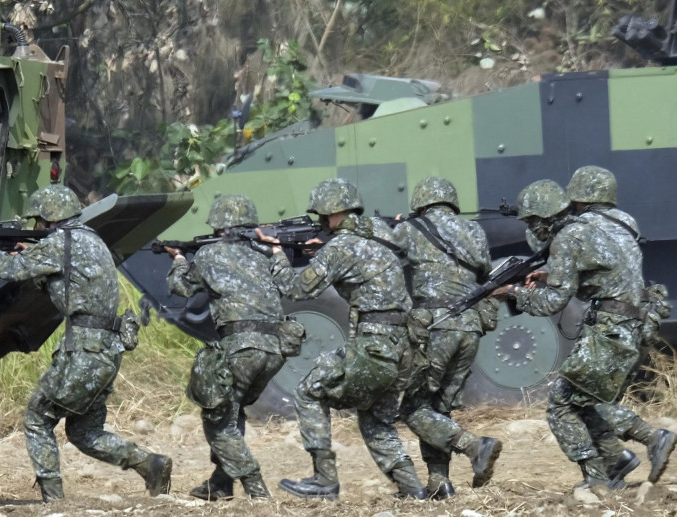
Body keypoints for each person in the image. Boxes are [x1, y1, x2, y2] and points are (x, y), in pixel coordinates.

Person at [0, 184, 172, 502]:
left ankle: (53, 501)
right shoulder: (91, 240)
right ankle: (151, 464)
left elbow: (11, 270)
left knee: (37, 419)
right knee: (83, 432)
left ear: (50, 218)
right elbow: (64, 279)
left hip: (84, 352)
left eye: (39, 221)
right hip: (105, 350)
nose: (37, 228)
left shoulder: (60, 242)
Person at [259, 178, 428, 500]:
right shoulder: (377, 238)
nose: (321, 221)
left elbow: (297, 289)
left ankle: (324, 481)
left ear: (335, 212)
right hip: (403, 346)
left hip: (374, 345)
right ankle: (412, 489)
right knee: (376, 419)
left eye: (323, 215)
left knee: (308, 393)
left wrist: (277, 254)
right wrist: (321, 254)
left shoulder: (339, 248)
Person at [491, 179, 643, 491]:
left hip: (607, 326)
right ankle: (616, 462)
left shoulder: (567, 238)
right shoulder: (601, 227)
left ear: (544, 219)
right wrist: (551, 274)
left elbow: (553, 302)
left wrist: (511, 292)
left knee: (561, 405)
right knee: (581, 401)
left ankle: (602, 477)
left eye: (532, 222)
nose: (532, 229)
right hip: (620, 324)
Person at [164, 194, 290, 500]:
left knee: (218, 421)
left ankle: (257, 489)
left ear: (219, 225)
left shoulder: (209, 255)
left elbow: (182, 287)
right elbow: (286, 284)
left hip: (242, 347)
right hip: (275, 348)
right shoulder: (263, 256)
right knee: (232, 413)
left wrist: (179, 260)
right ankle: (221, 483)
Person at [566, 166, 677, 483]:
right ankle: (612, 470)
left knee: (572, 401)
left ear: (580, 197)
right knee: (593, 400)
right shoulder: (624, 222)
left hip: (610, 326)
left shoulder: (583, 228)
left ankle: (651, 438)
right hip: (636, 323)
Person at [393, 177, 503, 499]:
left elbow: (389, 263)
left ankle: (474, 446)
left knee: (413, 408)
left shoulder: (409, 229)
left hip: (436, 325)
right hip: (469, 328)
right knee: (438, 409)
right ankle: (439, 484)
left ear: (420, 202)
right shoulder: (474, 231)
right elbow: (483, 273)